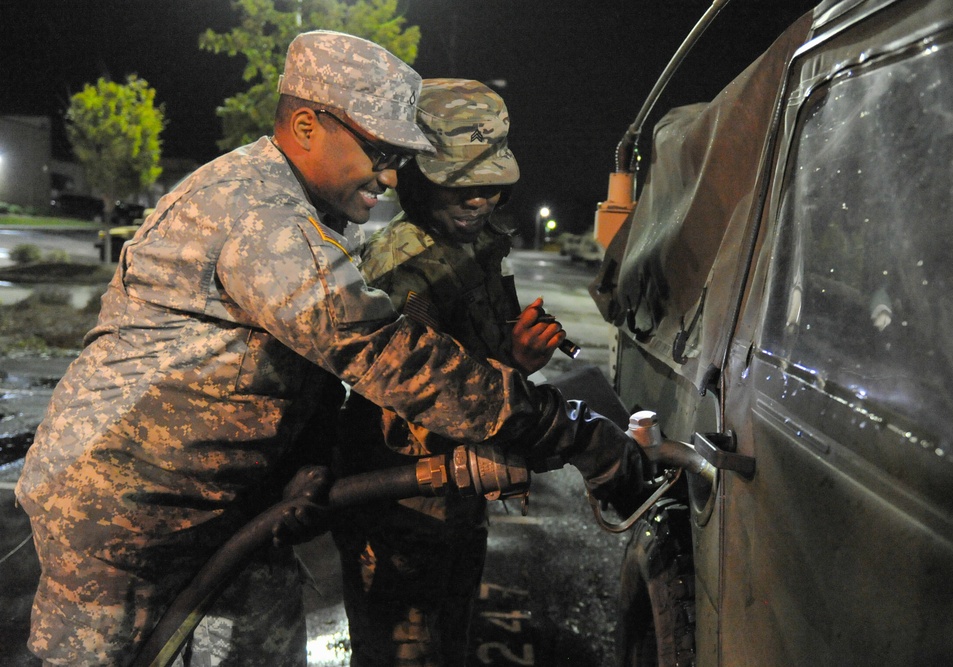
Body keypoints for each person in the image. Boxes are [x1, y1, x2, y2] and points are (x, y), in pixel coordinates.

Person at [14, 31, 646, 666]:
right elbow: (388, 354)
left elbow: (306, 364)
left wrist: (310, 457)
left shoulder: (303, 213)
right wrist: (576, 435)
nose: (394, 174)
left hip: (231, 514)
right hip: (124, 522)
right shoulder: (263, 220)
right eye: (378, 150)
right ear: (308, 125)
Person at [331, 78, 562, 666]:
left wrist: (516, 355)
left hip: (460, 497)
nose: (479, 201)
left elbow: (477, 368)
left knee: (450, 644)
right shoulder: (401, 269)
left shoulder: (477, 244)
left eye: (491, 186)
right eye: (461, 185)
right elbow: (399, 407)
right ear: (416, 177)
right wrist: (508, 371)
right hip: (401, 514)